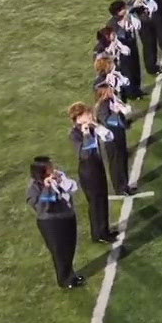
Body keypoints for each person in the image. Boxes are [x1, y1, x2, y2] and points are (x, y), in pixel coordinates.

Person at [27, 157, 85, 290]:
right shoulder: (34, 188)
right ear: (42, 171)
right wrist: (47, 188)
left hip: (67, 216)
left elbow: (73, 187)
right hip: (51, 223)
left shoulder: (57, 176)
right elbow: (43, 207)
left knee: (70, 248)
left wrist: (60, 180)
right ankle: (64, 280)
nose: (53, 168)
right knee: (60, 251)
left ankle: (71, 274)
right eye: (49, 166)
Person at [69, 102, 115, 243]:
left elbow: (109, 137)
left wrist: (96, 126)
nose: (91, 115)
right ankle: (98, 234)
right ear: (79, 116)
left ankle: (105, 230)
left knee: (102, 199)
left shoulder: (93, 126)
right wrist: (86, 134)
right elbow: (84, 154)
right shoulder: (75, 134)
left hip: (98, 166)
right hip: (88, 171)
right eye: (87, 113)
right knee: (95, 202)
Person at [95, 84, 133, 195]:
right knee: (116, 163)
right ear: (104, 93)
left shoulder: (112, 100)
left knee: (122, 159)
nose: (113, 90)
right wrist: (116, 113)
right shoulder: (103, 105)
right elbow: (106, 121)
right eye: (110, 89)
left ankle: (125, 185)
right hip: (112, 138)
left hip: (119, 133)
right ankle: (120, 188)